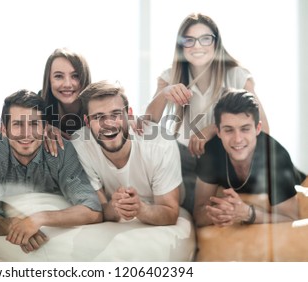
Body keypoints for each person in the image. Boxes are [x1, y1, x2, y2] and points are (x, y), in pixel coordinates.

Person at [145, 13, 270, 213]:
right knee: (188, 208)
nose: (197, 46)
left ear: (216, 43)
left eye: (205, 39)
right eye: (189, 40)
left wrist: (213, 128)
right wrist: (164, 93)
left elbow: (263, 129)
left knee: (215, 208)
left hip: (223, 157)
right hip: (184, 159)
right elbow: (147, 124)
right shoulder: (170, 76)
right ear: (181, 45)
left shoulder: (237, 76)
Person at [0, 89, 102, 254]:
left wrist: (38, 219)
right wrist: (14, 226)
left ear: (45, 128)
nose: (27, 133)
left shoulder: (62, 152)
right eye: (17, 124)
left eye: (34, 124)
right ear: (4, 130)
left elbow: (92, 210)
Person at [71, 80, 182, 225]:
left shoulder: (160, 145)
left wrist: (141, 209)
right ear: (87, 122)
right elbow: (100, 208)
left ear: (129, 115)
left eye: (116, 114)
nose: (108, 124)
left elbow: (170, 212)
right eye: (98, 117)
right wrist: (115, 206)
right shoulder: (80, 145)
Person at [193, 89, 299, 227]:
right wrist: (219, 214)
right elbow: (198, 213)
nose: (237, 139)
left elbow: (290, 218)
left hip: (300, 184)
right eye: (229, 130)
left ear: (258, 128)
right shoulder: (212, 152)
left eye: (245, 129)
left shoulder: (275, 157)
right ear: (218, 131)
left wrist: (248, 214)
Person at [40, 47, 92, 140]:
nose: (67, 84)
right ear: (49, 80)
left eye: (75, 76)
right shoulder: (40, 103)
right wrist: (42, 127)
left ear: (84, 78)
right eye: (59, 76)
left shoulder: (97, 104)